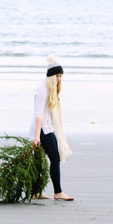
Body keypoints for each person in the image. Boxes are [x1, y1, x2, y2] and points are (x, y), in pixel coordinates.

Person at [31, 55, 74, 201]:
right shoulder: (42, 90)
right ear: (50, 76)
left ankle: (36, 192)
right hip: (42, 130)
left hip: (47, 128)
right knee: (54, 159)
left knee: (41, 161)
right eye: (57, 75)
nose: (59, 79)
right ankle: (58, 192)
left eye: (61, 76)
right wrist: (36, 136)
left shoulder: (51, 90)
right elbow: (38, 115)